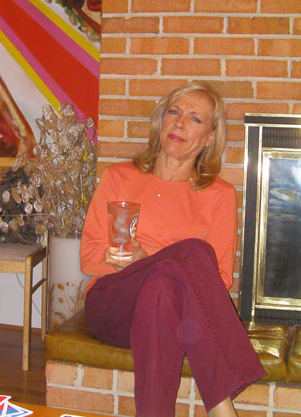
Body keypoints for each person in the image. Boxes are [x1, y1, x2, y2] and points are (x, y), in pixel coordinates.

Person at [80, 81, 265, 417]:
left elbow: (220, 280)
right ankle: (221, 405)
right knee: (193, 252)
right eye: (174, 112)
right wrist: (131, 261)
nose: (179, 123)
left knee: (162, 286)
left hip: (170, 313)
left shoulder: (220, 195)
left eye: (195, 119)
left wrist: (150, 259)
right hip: (113, 305)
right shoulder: (119, 177)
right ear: (161, 121)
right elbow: (89, 258)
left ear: (209, 137)